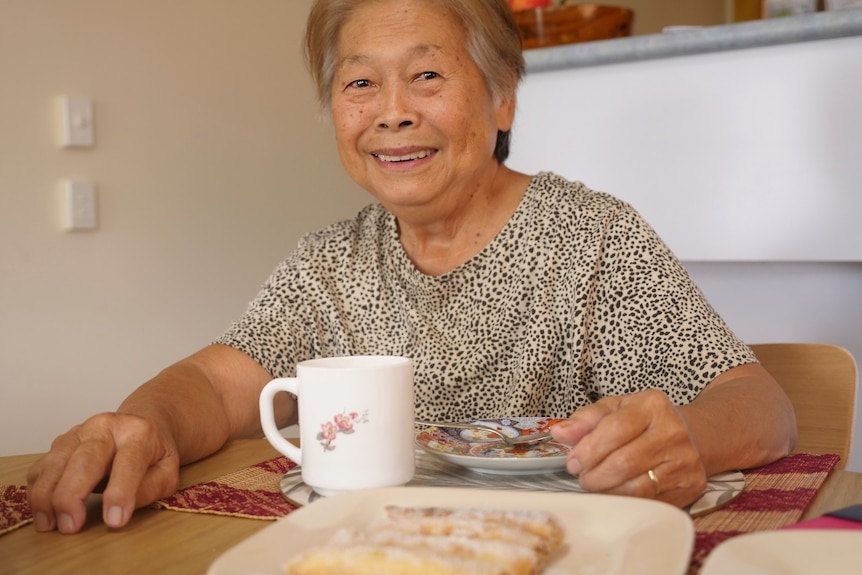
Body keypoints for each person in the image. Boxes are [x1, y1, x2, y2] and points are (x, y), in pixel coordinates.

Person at [27, 0, 796, 534]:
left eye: (427, 76)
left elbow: (760, 403)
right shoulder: (329, 263)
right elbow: (214, 383)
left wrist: (687, 434)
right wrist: (145, 425)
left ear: (502, 99)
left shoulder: (591, 239)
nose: (391, 110)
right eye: (360, 82)